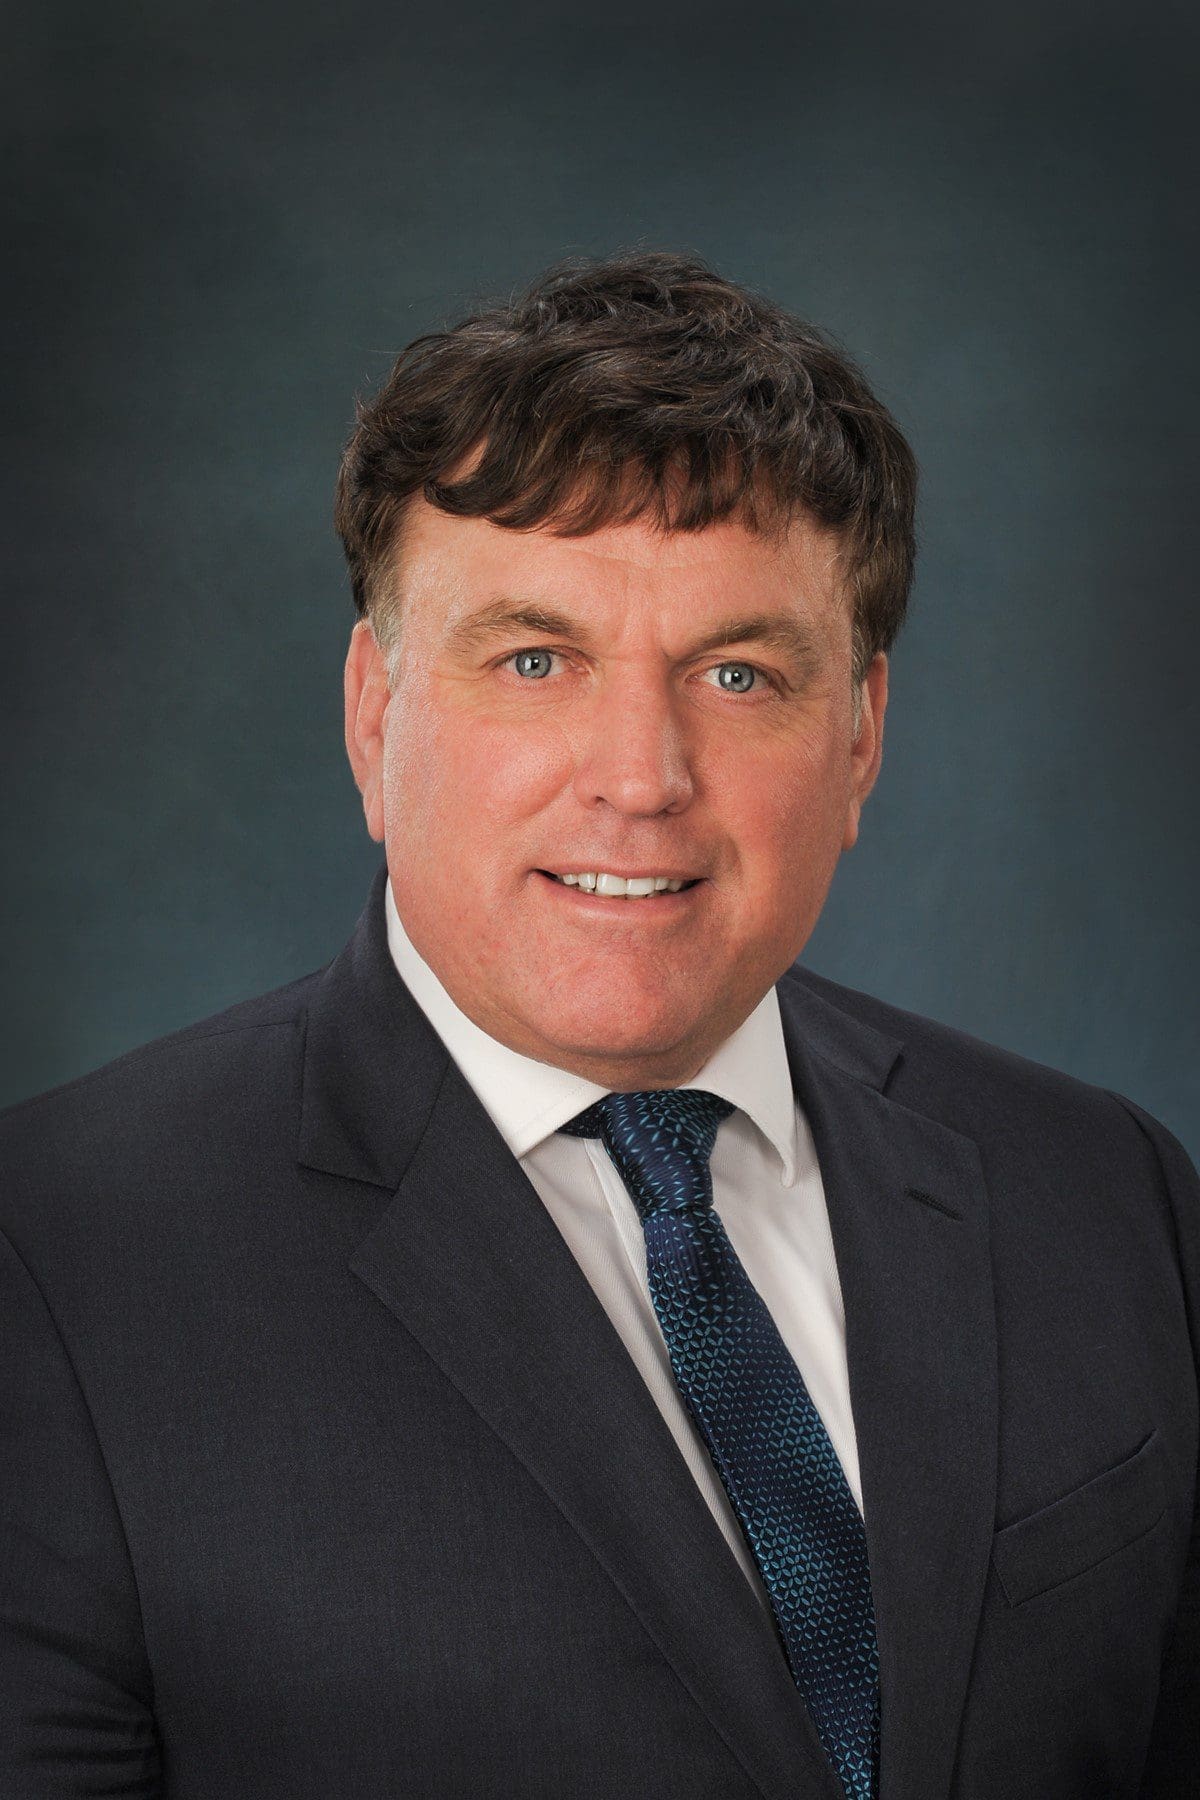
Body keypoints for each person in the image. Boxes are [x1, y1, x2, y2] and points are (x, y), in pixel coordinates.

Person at [1, 251, 1195, 1800]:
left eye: (739, 673)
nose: (642, 776)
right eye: (535, 660)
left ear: (861, 738)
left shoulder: (1105, 1194)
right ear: (374, 715)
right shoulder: (55, 1263)